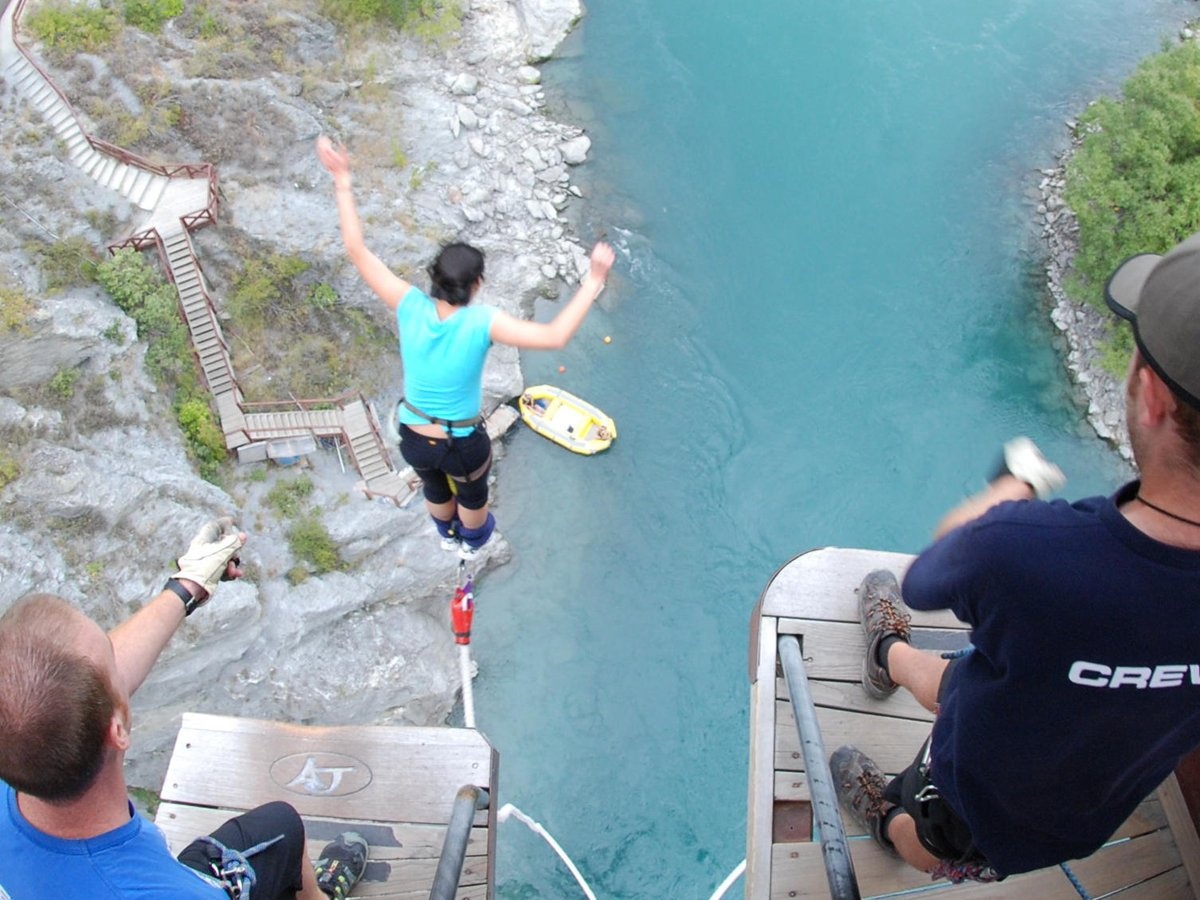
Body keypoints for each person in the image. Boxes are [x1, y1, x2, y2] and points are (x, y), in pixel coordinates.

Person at [830, 230, 1200, 884]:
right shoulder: (1047, 558)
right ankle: (886, 654)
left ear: (1151, 394)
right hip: (1088, 801)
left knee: (941, 841)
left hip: (984, 796)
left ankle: (887, 816)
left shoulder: (1034, 552)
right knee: (973, 682)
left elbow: (928, 575)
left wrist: (1009, 490)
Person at [0, 519, 369, 900]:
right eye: (111, 658)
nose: (118, 662)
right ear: (117, 732)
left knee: (280, 827)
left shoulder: (19, 742)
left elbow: (75, 692)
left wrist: (187, 586)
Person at [316, 136, 616, 560]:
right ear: (477, 284)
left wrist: (342, 178)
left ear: (433, 277)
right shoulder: (482, 322)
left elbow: (356, 250)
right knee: (473, 496)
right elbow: (554, 337)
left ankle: (445, 534)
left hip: (414, 433)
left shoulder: (408, 304)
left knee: (434, 484)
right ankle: (472, 543)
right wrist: (593, 282)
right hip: (461, 441)